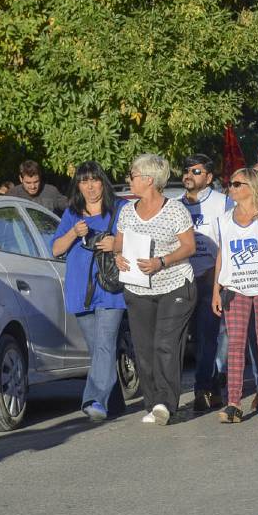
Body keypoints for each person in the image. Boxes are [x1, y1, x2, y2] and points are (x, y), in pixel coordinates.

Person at [114, 154, 197, 425]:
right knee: (144, 348)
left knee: (165, 343)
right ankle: (152, 403)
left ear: (148, 180)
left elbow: (189, 246)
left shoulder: (174, 210)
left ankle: (165, 402)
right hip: (138, 288)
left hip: (174, 284)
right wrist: (118, 256)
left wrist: (161, 261)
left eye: (132, 175)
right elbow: (119, 244)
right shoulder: (127, 210)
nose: (129, 180)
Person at [51, 162, 128, 422]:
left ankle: (93, 400)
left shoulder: (119, 209)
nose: (90, 186)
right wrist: (74, 232)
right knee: (98, 349)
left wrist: (116, 243)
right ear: (78, 186)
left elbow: (137, 239)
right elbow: (55, 250)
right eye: (84, 181)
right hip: (80, 288)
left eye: (94, 180)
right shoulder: (72, 214)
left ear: (102, 182)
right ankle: (114, 402)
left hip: (110, 287)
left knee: (105, 344)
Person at [212, 169, 258, 422]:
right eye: (229, 183)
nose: (230, 188)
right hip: (235, 288)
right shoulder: (224, 219)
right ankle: (233, 402)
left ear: (252, 187)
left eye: (236, 184)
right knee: (235, 346)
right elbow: (222, 254)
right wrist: (216, 289)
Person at [180, 155, 230, 412]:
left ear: (209, 177)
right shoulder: (176, 205)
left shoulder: (223, 203)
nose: (189, 175)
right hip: (183, 276)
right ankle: (210, 386)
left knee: (208, 337)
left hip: (212, 276)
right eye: (186, 170)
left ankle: (204, 388)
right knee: (187, 339)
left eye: (196, 171)